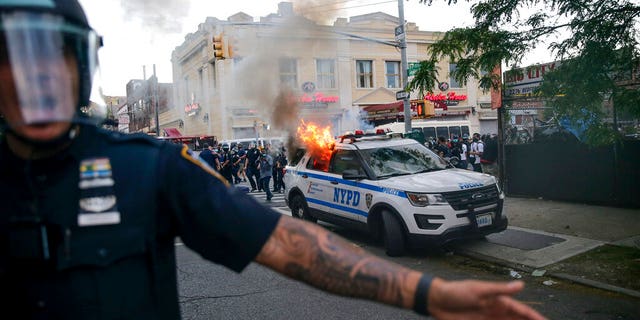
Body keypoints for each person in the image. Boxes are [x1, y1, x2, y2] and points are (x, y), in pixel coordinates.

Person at [0, 1, 546, 319]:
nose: (33, 75)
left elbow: (285, 241)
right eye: (13, 58)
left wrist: (428, 293)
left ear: (80, 66)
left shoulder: (147, 167)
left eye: (54, 54)